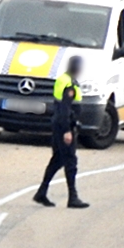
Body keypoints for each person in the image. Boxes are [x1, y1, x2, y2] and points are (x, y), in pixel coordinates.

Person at [33, 57, 90, 209]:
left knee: (58, 159)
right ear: (76, 68)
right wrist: (67, 130)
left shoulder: (63, 79)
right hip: (64, 126)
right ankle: (73, 197)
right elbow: (65, 108)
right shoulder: (69, 84)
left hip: (58, 124)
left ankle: (42, 192)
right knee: (70, 161)